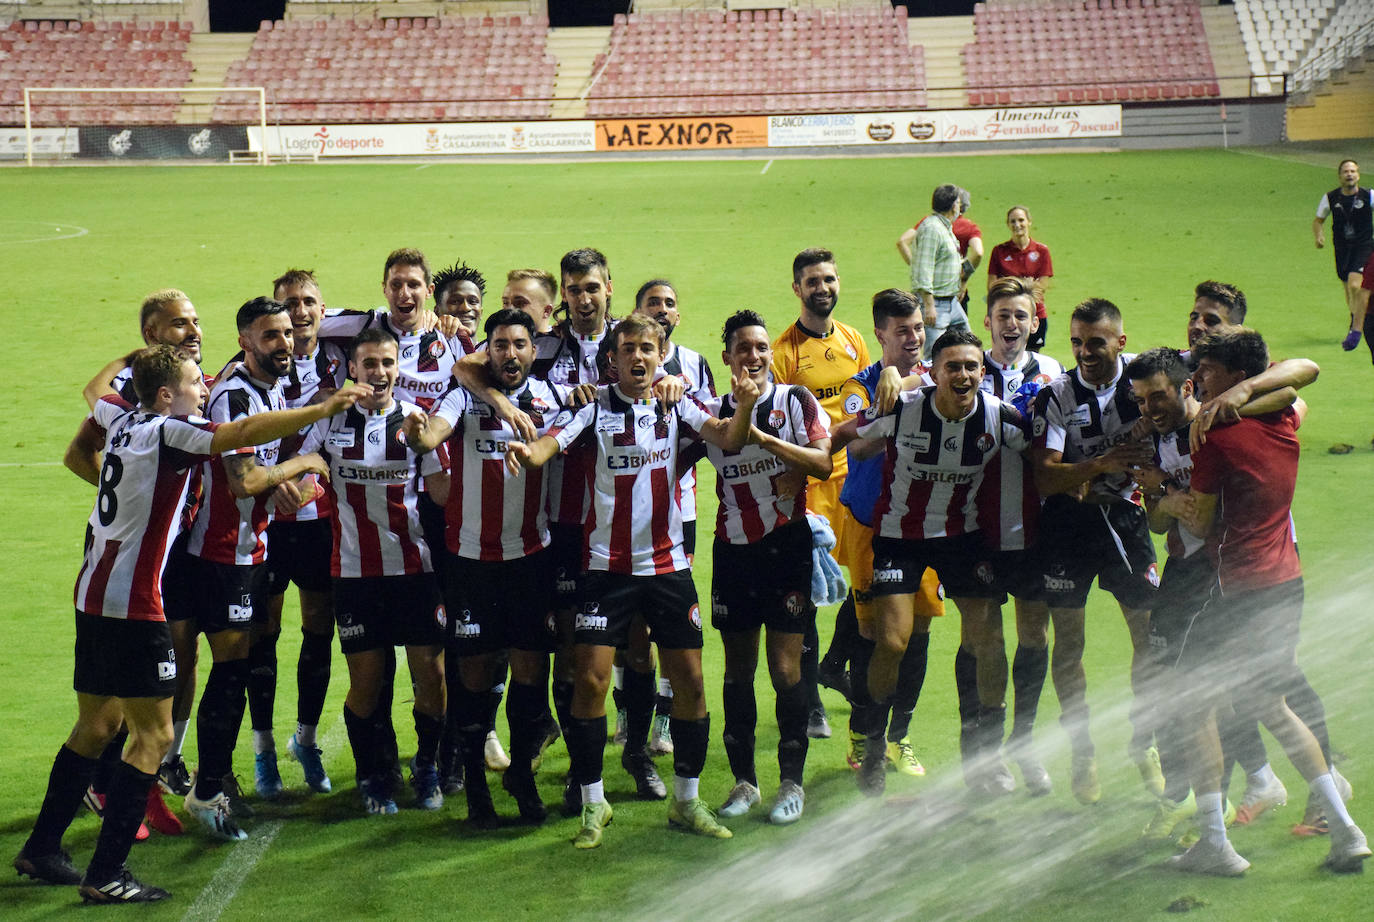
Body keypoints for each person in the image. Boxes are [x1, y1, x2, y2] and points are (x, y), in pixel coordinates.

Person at [13, 344, 366, 901]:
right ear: (164, 395)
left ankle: (41, 848)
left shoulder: (121, 417)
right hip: (136, 603)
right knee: (152, 736)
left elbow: (94, 390)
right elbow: (240, 432)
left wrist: (130, 355)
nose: (205, 391)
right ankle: (107, 873)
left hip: (93, 593)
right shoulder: (166, 431)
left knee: (97, 726)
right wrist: (320, 415)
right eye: (194, 384)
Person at [504, 313, 758, 848]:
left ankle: (686, 802)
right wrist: (528, 453)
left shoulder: (678, 402)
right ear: (613, 359)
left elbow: (729, 438)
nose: (639, 358)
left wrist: (747, 403)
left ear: (661, 353)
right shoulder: (593, 407)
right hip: (606, 568)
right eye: (628, 350)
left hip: (668, 569)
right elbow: (551, 444)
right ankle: (595, 804)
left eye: (648, 348)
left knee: (689, 682)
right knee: (593, 681)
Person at [1169, 329, 1369, 876]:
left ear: (1236, 376)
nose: (1199, 379)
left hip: (1239, 591)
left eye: (1207, 371)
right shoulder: (1283, 418)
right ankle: (1346, 830)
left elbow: (1200, 519)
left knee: (1191, 701)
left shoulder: (1219, 442)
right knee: (1271, 705)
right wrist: (1238, 397)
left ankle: (1214, 840)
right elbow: (1299, 382)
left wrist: (1165, 498)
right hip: (1286, 584)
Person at [832, 328, 1030, 796]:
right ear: (934, 373)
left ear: (983, 372)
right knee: (894, 642)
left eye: (971, 367)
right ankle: (877, 744)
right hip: (900, 538)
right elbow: (848, 440)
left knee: (990, 640)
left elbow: (1045, 457)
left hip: (962, 538)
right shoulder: (903, 410)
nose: (962, 375)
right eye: (953, 367)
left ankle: (986, 754)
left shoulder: (1001, 418)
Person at [403, 309, 576, 825]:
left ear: (533, 349)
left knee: (529, 673)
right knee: (474, 675)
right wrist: (417, 433)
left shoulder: (552, 399)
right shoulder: (463, 397)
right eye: (499, 344)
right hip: (471, 562)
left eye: (519, 344)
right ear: (488, 351)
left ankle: (521, 773)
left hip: (530, 560)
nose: (509, 353)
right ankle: (476, 784)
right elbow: (433, 435)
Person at [181, 297, 339, 840]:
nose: (285, 343)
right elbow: (243, 481)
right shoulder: (233, 394)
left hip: (249, 546)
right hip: (220, 552)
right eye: (271, 335)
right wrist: (305, 463)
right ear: (245, 341)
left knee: (234, 668)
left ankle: (216, 782)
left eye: (288, 334)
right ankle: (207, 790)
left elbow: (262, 481)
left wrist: (288, 488)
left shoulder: (268, 389)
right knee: (226, 672)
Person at [297, 328, 449, 815]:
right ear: (354, 369)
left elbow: (443, 495)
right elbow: (306, 467)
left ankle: (427, 766)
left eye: (386, 363)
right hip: (356, 574)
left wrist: (426, 446)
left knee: (431, 674)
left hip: (415, 572)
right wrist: (296, 483)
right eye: (369, 363)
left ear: (396, 368)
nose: (379, 372)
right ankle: (373, 774)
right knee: (366, 680)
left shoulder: (415, 419)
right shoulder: (332, 419)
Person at [76, 289, 209, 831]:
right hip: (138, 561)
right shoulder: (145, 407)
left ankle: (148, 778)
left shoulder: (191, 388)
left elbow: (93, 393)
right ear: (152, 337)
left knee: (177, 660)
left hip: (177, 549)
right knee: (134, 679)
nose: (193, 331)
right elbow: (78, 452)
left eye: (196, 321)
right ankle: (113, 786)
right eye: (179, 325)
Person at [1028, 298, 1159, 805]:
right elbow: (1046, 474)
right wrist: (1104, 463)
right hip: (1067, 529)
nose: (1083, 352)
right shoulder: (1057, 395)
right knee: (1070, 646)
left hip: (1126, 521)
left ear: (1120, 342)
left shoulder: (1145, 383)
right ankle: (1083, 753)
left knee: (1149, 638)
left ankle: (1143, 740)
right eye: (1077, 341)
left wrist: (1092, 474)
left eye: (1095, 343)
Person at [708, 310, 832, 825]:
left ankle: (791, 783)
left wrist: (768, 442)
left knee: (785, 669)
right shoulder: (708, 411)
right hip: (733, 549)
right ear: (727, 358)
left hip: (786, 548)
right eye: (743, 348)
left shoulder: (795, 401)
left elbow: (822, 462)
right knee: (738, 670)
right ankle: (744, 783)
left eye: (761, 347)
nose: (754, 355)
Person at [825, 290, 945, 788]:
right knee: (877, 637)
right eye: (902, 330)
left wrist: (913, 381)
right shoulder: (860, 385)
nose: (914, 337)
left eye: (917, 328)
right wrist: (896, 391)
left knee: (919, 633)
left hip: (924, 524)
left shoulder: (938, 377)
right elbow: (866, 442)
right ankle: (864, 730)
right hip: (871, 527)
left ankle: (900, 736)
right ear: (880, 334)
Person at [250, 269, 348, 801]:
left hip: (319, 522)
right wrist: (279, 484)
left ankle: (305, 740)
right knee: (262, 635)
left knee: (318, 630)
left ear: (324, 308)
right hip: (266, 525)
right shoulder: (253, 371)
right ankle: (264, 750)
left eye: (310, 302)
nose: (302, 312)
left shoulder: (342, 354)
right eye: (291, 305)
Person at [770, 247, 871, 741]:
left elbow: (866, 407)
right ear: (797, 289)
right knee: (808, 597)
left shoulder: (853, 339)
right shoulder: (782, 352)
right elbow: (778, 422)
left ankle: (833, 664)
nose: (823, 288)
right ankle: (810, 702)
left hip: (854, 482)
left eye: (829, 279)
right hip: (810, 488)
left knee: (865, 583)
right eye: (812, 281)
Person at [975, 278, 1064, 796]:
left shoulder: (1054, 374)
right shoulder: (966, 369)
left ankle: (1022, 745)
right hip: (978, 528)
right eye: (1003, 315)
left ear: (1035, 322)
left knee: (1035, 635)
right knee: (988, 640)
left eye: (1021, 316)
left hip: (1037, 529)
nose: (1012, 324)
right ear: (988, 321)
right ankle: (989, 753)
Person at [1312, 159, 1373, 346]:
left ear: (1358, 174)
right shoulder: (1331, 198)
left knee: (1356, 285)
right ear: (1339, 176)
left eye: (1353, 171)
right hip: (1342, 248)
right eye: (1346, 171)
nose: (1349, 174)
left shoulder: (1368, 195)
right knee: (1347, 287)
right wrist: (1318, 236)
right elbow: (1318, 220)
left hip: (1364, 246)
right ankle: (1355, 319)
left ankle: (1357, 325)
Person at [906, 184, 970, 356]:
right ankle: (930, 383)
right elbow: (923, 268)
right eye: (958, 202)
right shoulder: (932, 229)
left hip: (951, 303)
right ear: (953, 205)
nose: (960, 206)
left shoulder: (944, 227)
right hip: (937, 304)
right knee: (934, 355)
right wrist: (929, 305)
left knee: (968, 346)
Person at [900, 187, 983, 317]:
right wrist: (964, 278)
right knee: (960, 336)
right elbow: (978, 252)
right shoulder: (967, 227)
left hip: (943, 294)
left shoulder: (932, 223)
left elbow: (902, 241)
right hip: (944, 295)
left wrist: (916, 265)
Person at [987, 206, 1054, 352]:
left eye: (1021, 220)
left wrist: (1010, 286)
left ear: (1029, 222)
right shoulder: (999, 251)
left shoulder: (1042, 251)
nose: (1017, 224)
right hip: (1006, 315)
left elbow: (1042, 285)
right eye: (1013, 221)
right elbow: (992, 285)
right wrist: (1026, 285)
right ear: (1008, 224)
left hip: (1036, 313)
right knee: (1006, 353)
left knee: (1032, 356)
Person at [1185, 280, 1247, 354]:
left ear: (1236, 332)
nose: (1197, 326)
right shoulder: (1173, 363)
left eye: (1211, 321)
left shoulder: (1253, 365)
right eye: (1194, 318)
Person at [433, 260, 486, 338]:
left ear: (481, 312)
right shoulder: (424, 348)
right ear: (436, 312)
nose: (465, 308)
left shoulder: (494, 348)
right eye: (455, 301)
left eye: (473, 301)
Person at [502, 268, 557, 334]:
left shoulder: (564, 342)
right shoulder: (490, 343)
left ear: (546, 311)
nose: (509, 310)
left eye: (520, 303)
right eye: (505, 303)